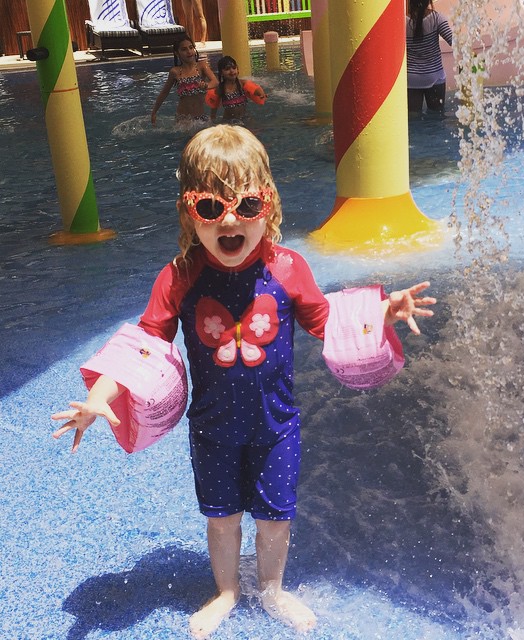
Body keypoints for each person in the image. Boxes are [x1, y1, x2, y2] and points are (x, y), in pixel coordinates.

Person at [51, 125, 436, 638]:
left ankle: (272, 587)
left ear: (269, 206)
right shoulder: (179, 277)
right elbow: (145, 348)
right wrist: (99, 397)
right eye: (211, 208)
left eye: (246, 206)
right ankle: (227, 591)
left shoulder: (288, 267)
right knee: (223, 518)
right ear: (191, 212)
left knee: (275, 517)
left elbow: (325, 322)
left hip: (277, 425)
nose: (229, 221)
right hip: (212, 428)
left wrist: (381, 311)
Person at [151, 36, 217, 126]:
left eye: (191, 47)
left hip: (201, 118)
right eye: (184, 49)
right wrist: (154, 112)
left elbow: (215, 81)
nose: (189, 52)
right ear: (177, 53)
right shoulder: (175, 72)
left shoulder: (202, 66)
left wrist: (206, 85)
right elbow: (164, 93)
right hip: (183, 120)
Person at [406, 0, 453, 115]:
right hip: (435, 77)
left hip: (411, 79)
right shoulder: (437, 18)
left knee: (413, 120)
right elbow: (455, 42)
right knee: (437, 117)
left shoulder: (401, 21)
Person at [206, 56, 267, 122]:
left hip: (245, 118)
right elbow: (214, 105)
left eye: (234, 68)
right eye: (227, 69)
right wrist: (213, 119)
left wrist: (261, 94)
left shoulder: (242, 84)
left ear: (237, 70)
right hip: (228, 121)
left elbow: (255, 90)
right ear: (221, 73)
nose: (232, 71)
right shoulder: (220, 88)